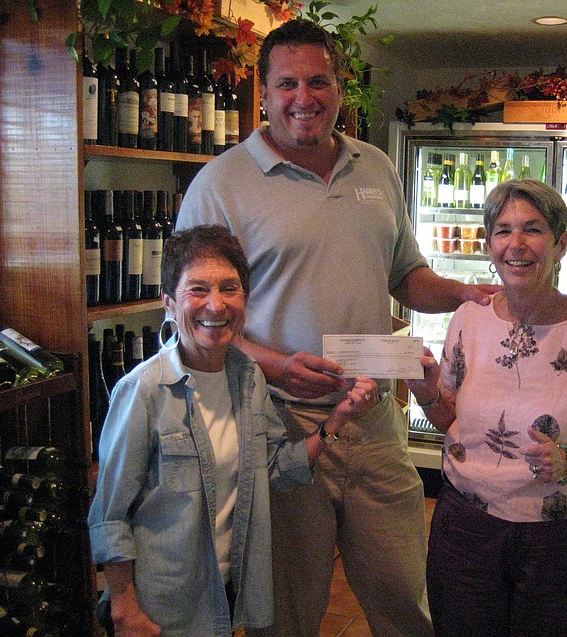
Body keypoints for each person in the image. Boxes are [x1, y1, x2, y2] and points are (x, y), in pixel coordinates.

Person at [174, 17, 498, 637]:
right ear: (264, 94)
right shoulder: (220, 185)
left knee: (405, 600)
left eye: (318, 82)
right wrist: (279, 365)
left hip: (374, 419)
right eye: (287, 84)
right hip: (279, 426)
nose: (304, 98)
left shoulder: (374, 167)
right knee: (288, 613)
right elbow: (197, 317)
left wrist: (461, 293)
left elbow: (406, 275)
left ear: (340, 89)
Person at [87, 224, 378, 637]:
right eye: (198, 290)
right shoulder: (144, 391)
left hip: (225, 592)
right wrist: (124, 609)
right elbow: (110, 514)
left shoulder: (248, 378)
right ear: (168, 302)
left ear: (245, 298)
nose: (216, 304)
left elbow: (276, 468)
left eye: (230, 288)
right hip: (163, 606)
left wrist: (338, 419)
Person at [406, 179, 567, 637]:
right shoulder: (468, 319)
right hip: (466, 528)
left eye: (532, 229)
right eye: (503, 230)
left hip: (561, 537)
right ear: (489, 245)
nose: (516, 244)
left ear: (560, 244)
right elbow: (451, 420)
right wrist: (428, 393)